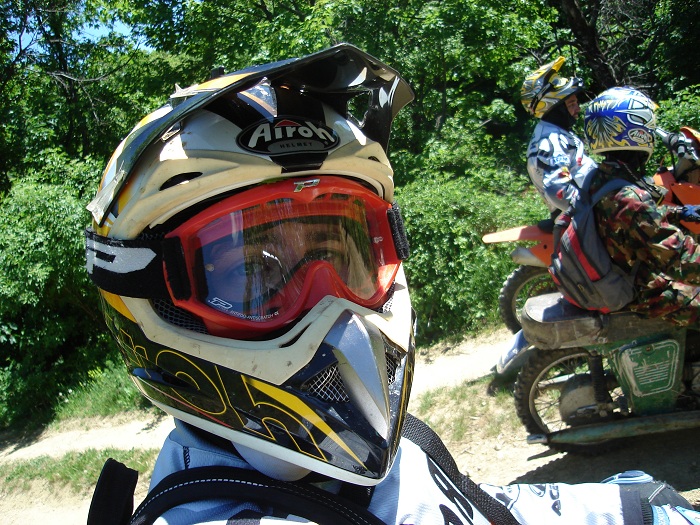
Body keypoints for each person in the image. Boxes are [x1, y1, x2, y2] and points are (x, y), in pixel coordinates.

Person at [84, 45, 697, 524]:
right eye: (255, 272)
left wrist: (643, 507)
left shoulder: (396, 458)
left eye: (339, 252)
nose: (329, 305)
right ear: (152, 294)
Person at [584, 86, 700, 327]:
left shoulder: (600, 176)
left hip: (623, 276)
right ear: (636, 132)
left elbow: (633, 222)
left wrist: (679, 212)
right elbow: (681, 261)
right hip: (647, 294)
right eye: (649, 128)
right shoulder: (630, 198)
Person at [521, 56, 596, 215]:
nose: (578, 109)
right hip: (579, 218)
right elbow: (558, 189)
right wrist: (592, 213)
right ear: (554, 109)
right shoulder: (551, 141)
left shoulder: (553, 132)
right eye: (571, 104)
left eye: (576, 102)